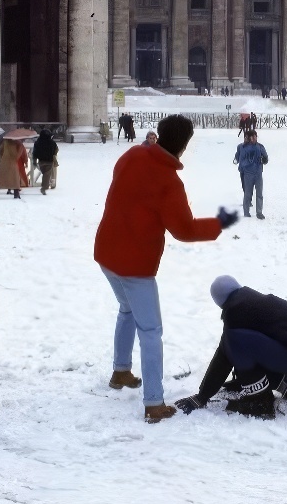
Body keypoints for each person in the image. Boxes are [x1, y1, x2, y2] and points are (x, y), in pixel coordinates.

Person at [93, 114, 238, 423]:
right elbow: (184, 229)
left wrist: (147, 148)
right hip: (135, 264)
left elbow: (122, 169)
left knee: (126, 310)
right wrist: (218, 223)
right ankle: (154, 403)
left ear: (158, 134)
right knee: (150, 331)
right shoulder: (169, 181)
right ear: (184, 146)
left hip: (107, 252)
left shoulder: (133, 154)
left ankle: (121, 371)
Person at [176, 276, 287, 419]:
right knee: (243, 345)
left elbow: (224, 355)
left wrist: (202, 396)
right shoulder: (250, 300)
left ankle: (260, 403)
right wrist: (243, 379)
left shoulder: (236, 311)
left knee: (235, 341)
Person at [234, 129, 269, 219]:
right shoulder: (241, 147)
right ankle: (246, 212)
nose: (253, 138)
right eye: (251, 137)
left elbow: (266, 158)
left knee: (259, 194)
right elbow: (237, 158)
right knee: (247, 194)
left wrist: (264, 160)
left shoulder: (260, 147)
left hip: (258, 174)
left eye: (255, 136)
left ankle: (259, 212)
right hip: (247, 174)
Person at [32, 129, 59, 194]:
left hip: (41, 161)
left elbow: (34, 153)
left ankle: (44, 186)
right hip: (49, 161)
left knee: (45, 174)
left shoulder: (37, 143)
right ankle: (44, 187)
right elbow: (56, 150)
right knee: (47, 174)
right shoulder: (52, 143)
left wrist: (34, 161)